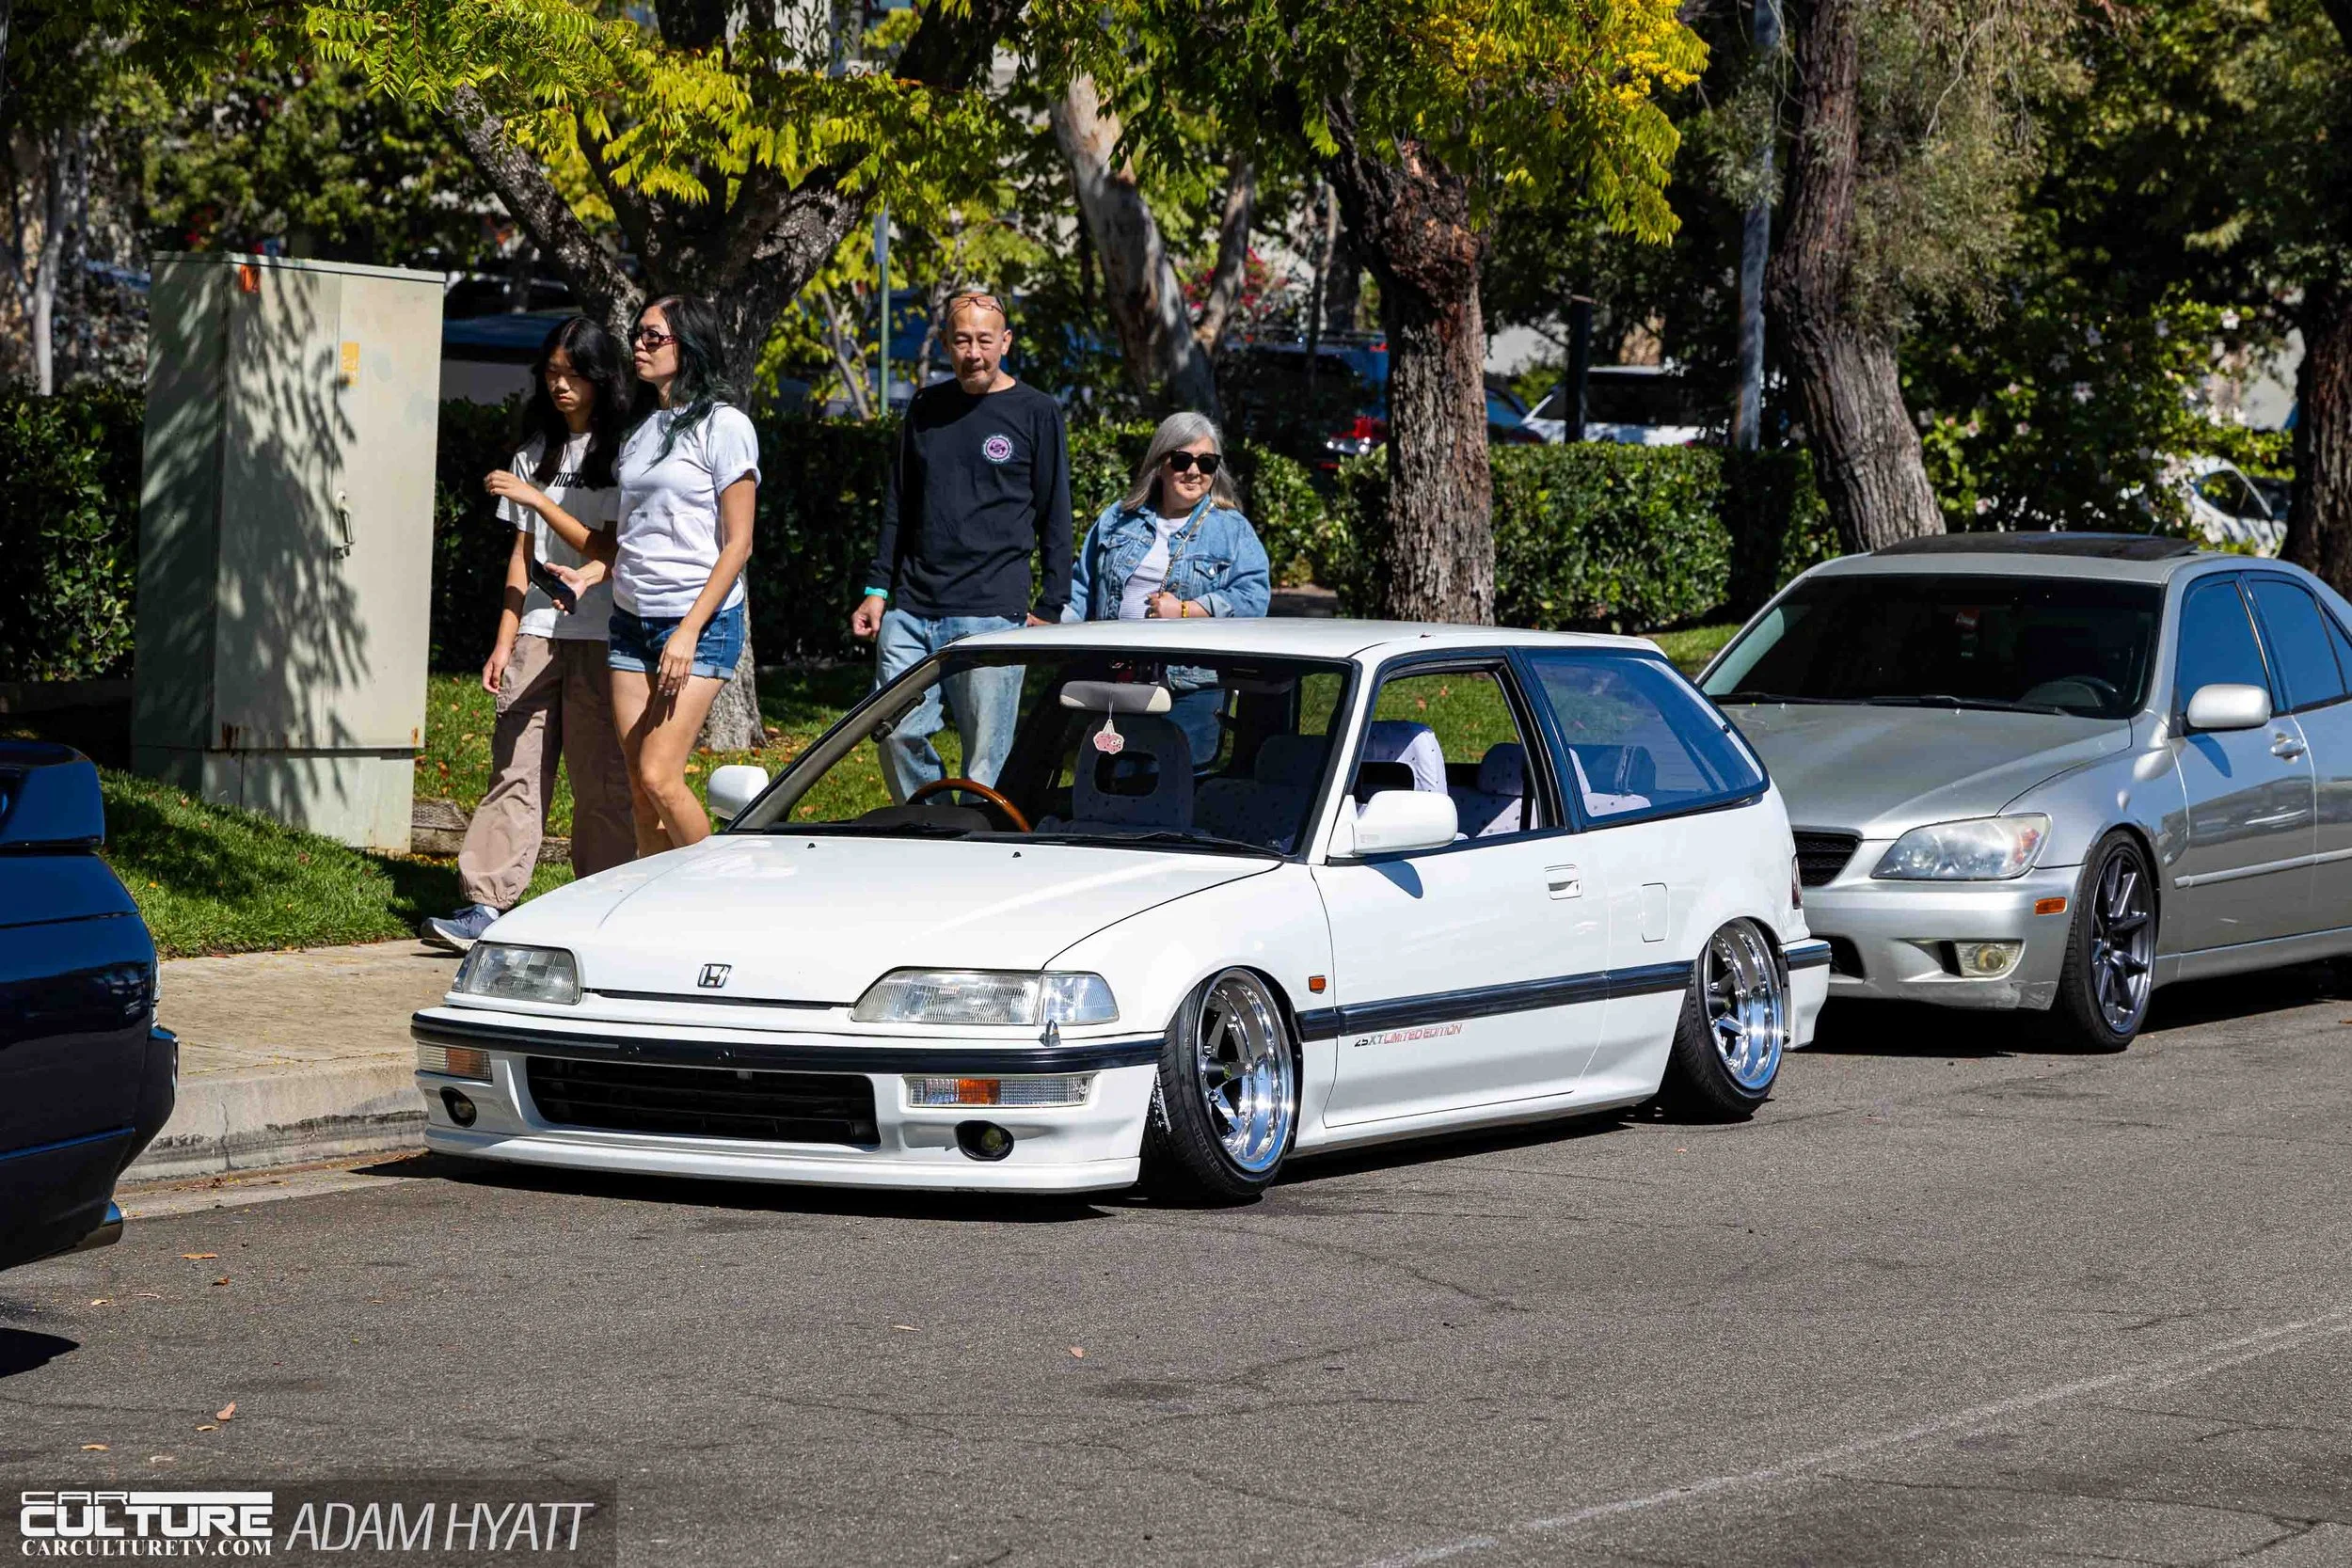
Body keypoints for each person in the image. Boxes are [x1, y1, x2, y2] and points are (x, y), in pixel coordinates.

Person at [421, 317, 636, 954]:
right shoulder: (533, 451)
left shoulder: (623, 455)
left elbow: (611, 548)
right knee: (515, 768)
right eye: (552, 373)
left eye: (574, 374)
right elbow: (521, 555)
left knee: (601, 780)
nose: (561, 385)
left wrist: (541, 501)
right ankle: (485, 904)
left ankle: (610, 906)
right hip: (538, 633)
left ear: (601, 377)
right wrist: (504, 636)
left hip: (601, 635)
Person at [850, 291, 1072, 801]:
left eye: (985, 340)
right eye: (962, 340)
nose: (974, 352)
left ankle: (975, 843)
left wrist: (1051, 603)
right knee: (896, 729)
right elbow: (898, 503)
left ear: (1006, 343)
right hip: (913, 606)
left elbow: (1054, 511)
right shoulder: (926, 408)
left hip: (992, 610)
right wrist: (876, 588)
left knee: (985, 759)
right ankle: (931, 820)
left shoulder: (1036, 411)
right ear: (948, 344)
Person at [558, 294, 758, 856]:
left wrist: (689, 631)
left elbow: (738, 543)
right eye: (637, 335)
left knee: (659, 775)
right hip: (631, 620)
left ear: (688, 346)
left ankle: (715, 894)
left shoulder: (725, 426)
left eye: (653, 337)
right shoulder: (642, 429)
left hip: (697, 621)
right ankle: (657, 913)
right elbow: (637, 535)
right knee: (638, 790)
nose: (638, 346)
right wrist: (589, 575)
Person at [1067, 411, 1271, 762]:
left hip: (1189, 689)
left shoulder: (1231, 528)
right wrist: (1053, 626)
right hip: (1113, 684)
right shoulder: (1118, 518)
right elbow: (1082, 588)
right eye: (1182, 460)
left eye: (1207, 463)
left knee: (1177, 789)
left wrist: (1188, 610)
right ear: (1160, 462)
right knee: (1107, 782)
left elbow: (1254, 597)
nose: (1194, 472)